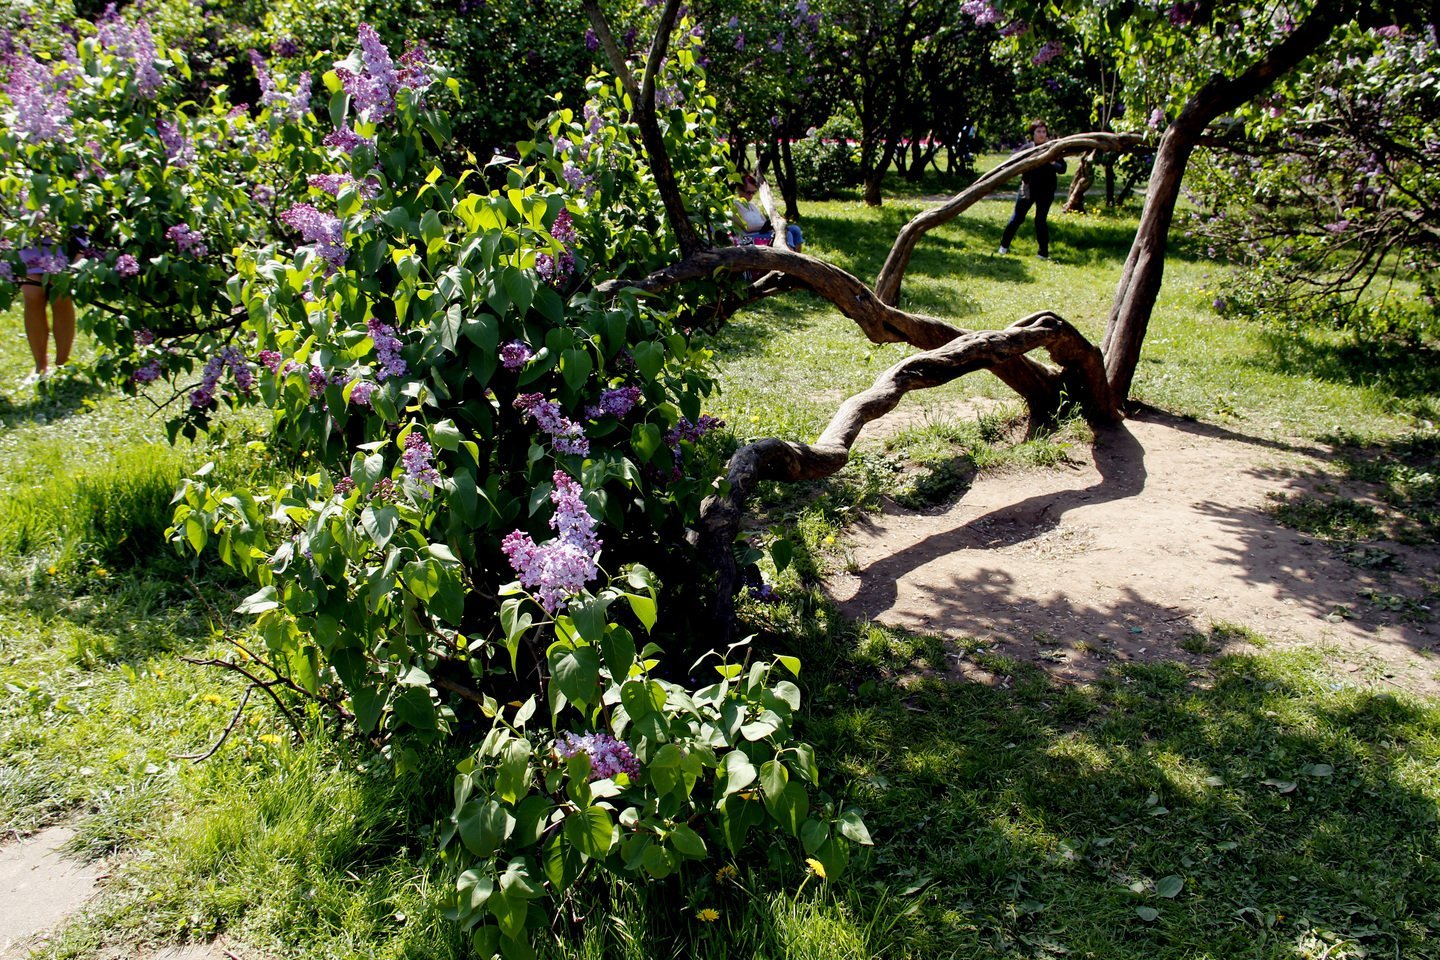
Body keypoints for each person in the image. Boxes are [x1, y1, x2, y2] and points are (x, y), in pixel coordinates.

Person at [997, 119, 1066, 260]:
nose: (1041, 134)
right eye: (1038, 131)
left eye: (1044, 132)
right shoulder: (1027, 148)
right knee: (1017, 218)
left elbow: (1062, 169)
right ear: (1032, 134)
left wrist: (1052, 162)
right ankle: (1003, 248)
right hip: (1028, 188)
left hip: (1046, 190)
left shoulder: (1052, 149)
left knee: (1040, 220)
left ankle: (1043, 253)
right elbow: (1013, 163)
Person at [19, 262, 75, 385]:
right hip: (30, 248)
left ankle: (62, 364)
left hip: (60, 247)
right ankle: (40, 366)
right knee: (31, 293)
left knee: (61, 292)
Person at [733, 173, 803, 251]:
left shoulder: (752, 206)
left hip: (761, 233)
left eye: (753, 193)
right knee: (786, 234)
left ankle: (798, 256)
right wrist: (770, 225)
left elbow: (765, 222)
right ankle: (790, 258)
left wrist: (774, 225)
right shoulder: (734, 206)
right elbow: (748, 227)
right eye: (748, 192)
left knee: (795, 229)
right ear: (739, 190)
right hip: (746, 238)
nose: (751, 196)